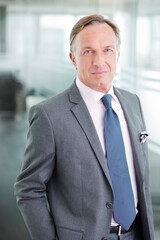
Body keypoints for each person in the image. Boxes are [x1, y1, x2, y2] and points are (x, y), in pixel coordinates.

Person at [14, 14, 154, 240]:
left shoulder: (132, 102)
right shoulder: (49, 115)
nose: (99, 61)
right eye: (88, 51)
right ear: (73, 58)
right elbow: (28, 188)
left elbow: (141, 178)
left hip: (137, 233)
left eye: (107, 50)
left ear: (117, 55)